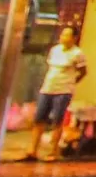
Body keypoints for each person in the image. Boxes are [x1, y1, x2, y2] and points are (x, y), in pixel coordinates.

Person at [22, 27, 87, 162]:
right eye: (62, 34)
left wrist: (71, 83)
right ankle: (33, 150)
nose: (63, 37)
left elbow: (83, 72)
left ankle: (53, 151)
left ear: (74, 38)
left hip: (63, 91)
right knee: (39, 119)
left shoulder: (77, 53)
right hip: (47, 88)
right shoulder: (55, 50)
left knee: (57, 121)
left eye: (67, 35)